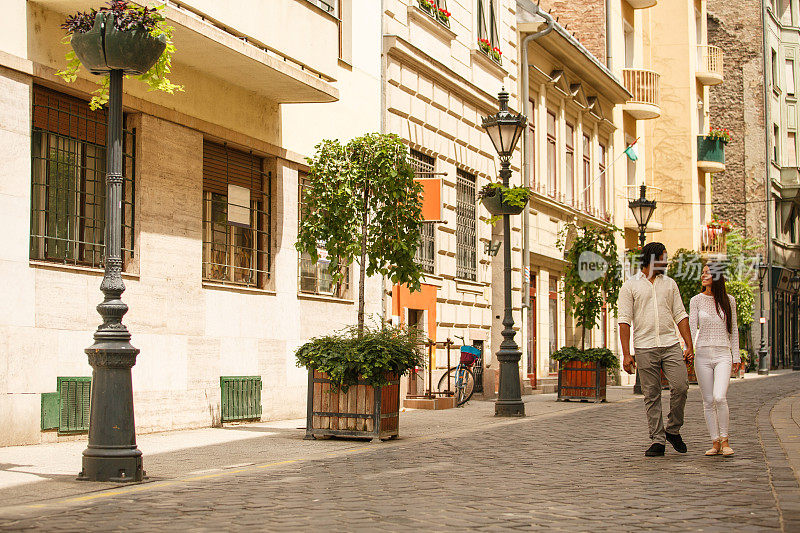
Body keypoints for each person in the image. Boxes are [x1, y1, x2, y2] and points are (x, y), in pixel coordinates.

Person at [619, 242, 694, 457]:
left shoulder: (670, 284)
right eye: (663, 257)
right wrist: (626, 354)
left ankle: (672, 429)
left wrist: (688, 345)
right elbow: (624, 321)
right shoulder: (630, 286)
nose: (666, 261)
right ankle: (658, 440)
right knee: (651, 394)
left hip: (670, 344)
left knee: (681, 386)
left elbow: (680, 315)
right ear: (652, 259)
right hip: (644, 346)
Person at [689, 263, 741, 457]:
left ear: (717, 276)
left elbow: (733, 329)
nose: (703, 276)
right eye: (702, 273)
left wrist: (735, 355)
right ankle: (715, 442)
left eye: (707, 273)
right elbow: (693, 326)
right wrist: (688, 349)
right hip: (702, 354)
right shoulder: (696, 300)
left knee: (719, 397)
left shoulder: (729, 301)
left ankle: (726, 439)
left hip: (722, 354)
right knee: (708, 400)